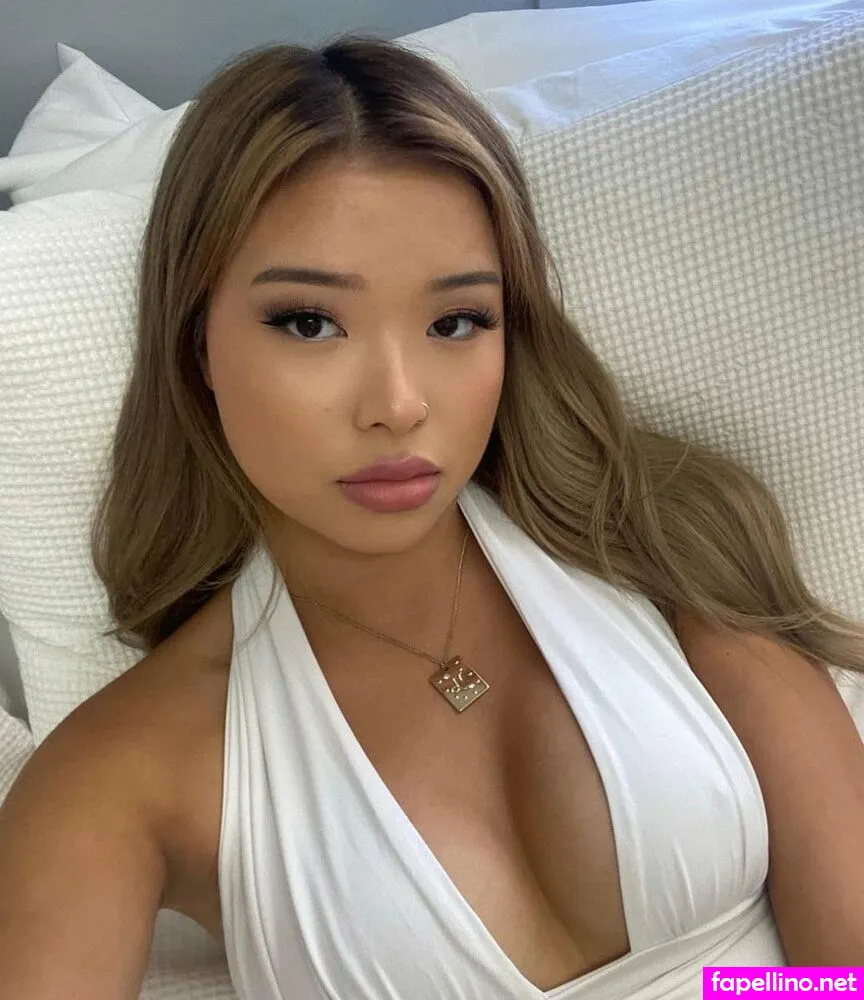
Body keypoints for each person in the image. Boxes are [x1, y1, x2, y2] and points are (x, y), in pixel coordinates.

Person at [0, 33, 862, 1000]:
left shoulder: (667, 543)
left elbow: (844, 978)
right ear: (198, 342)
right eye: (309, 322)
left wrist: (740, 992)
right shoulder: (122, 771)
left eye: (456, 322)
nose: (399, 404)